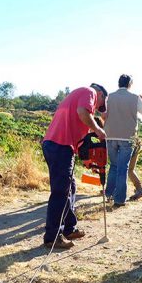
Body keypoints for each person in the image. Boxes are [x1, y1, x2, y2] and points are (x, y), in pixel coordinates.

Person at [41, 83, 107, 248]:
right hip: (59, 146)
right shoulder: (89, 91)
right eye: (101, 103)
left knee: (70, 188)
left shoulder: (77, 97)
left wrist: (89, 162)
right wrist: (98, 129)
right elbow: (82, 112)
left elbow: (80, 140)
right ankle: (52, 237)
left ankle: (69, 228)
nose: (98, 108)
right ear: (100, 93)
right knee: (60, 192)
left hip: (60, 146)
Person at [103, 74, 142, 207]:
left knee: (114, 166)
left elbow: (104, 115)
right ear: (130, 84)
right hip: (127, 137)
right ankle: (119, 200)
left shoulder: (108, 97)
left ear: (119, 83)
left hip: (110, 136)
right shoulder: (135, 98)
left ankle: (109, 195)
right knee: (123, 168)